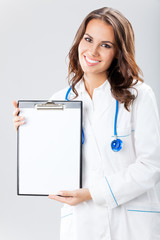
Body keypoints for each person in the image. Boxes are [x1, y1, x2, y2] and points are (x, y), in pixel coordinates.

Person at [13, 7, 160, 240]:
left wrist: (92, 193)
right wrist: (29, 132)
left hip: (130, 223)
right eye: (88, 39)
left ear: (118, 52)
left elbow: (150, 167)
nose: (92, 51)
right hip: (82, 223)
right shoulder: (60, 101)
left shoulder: (139, 94)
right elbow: (49, 165)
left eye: (106, 45)